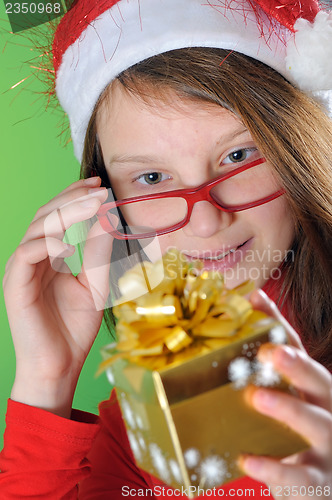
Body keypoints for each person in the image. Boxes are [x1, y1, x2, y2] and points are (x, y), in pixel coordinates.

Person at [1, 0, 331, 498]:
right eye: (152, 177)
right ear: (109, 208)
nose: (205, 218)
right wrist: (48, 381)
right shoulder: (138, 436)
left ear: (297, 148)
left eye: (238, 155)